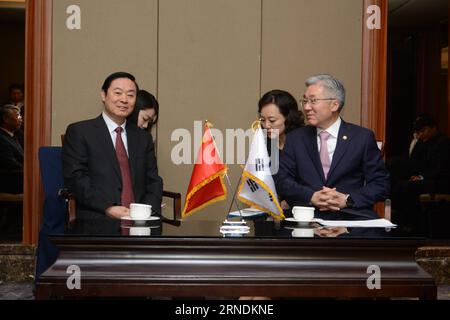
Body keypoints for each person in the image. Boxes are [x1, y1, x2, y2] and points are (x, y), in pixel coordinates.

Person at [275, 74, 390, 220]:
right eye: (304, 101)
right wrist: (311, 196)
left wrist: (347, 199)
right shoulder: (296, 138)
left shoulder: (362, 138)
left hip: (351, 218)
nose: (306, 107)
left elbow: (381, 184)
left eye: (313, 101)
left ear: (334, 105)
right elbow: (281, 180)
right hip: (306, 218)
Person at [62, 72, 163, 234]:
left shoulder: (143, 138)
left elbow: (153, 180)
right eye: (118, 93)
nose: (124, 99)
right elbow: (76, 178)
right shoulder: (80, 132)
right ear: (103, 95)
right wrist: (107, 207)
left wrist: (146, 213)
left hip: (139, 224)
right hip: (97, 218)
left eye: (131, 95)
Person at [391, 114, 450, 232]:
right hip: (429, 178)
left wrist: (422, 177)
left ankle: (409, 224)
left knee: (407, 187)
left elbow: (441, 168)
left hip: (441, 182)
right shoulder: (424, 143)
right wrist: (419, 176)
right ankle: (402, 221)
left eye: (424, 130)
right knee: (400, 183)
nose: (421, 134)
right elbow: (418, 163)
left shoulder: (444, 143)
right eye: (419, 132)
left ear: (433, 128)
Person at [0, 104, 24, 193]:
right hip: (10, 180)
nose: (21, 119)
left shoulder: (15, 135)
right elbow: (9, 163)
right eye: (18, 116)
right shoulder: (1, 138)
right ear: (6, 119)